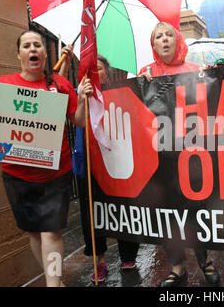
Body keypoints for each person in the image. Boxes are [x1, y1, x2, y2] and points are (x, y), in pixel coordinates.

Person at [0, 30, 92, 287]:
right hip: (17, 175)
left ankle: (53, 283)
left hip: (56, 173)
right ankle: (55, 279)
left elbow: (79, 121)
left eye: (38, 45)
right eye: (27, 45)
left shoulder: (60, 85)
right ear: (18, 54)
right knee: (34, 230)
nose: (33, 49)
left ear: (45, 53)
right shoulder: (4, 85)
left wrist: (83, 99)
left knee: (51, 230)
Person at [139, 22, 220, 287]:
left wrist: (208, 79)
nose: (164, 39)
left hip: (193, 156)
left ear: (177, 40)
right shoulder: (146, 74)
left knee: (196, 210)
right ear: (153, 44)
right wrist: (142, 85)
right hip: (161, 159)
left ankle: (204, 260)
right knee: (169, 214)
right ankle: (177, 267)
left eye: (168, 35)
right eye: (158, 36)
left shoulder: (194, 71)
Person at [59, 47, 140, 282]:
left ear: (107, 73)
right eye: (89, 69)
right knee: (91, 213)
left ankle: (128, 256)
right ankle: (100, 260)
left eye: (99, 68)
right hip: (89, 163)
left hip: (117, 163)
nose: (94, 72)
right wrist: (64, 62)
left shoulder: (120, 93)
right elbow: (56, 94)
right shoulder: (77, 93)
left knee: (122, 206)